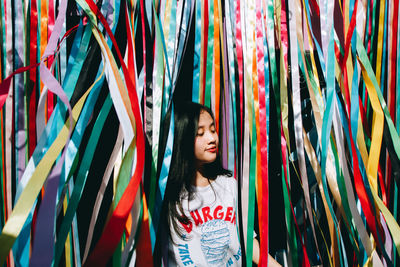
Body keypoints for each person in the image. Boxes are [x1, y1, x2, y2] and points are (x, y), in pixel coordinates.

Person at [162, 101, 281, 266]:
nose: (212, 138)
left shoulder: (228, 184)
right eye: (200, 133)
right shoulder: (168, 197)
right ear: (182, 138)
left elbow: (246, 238)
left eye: (213, 130)